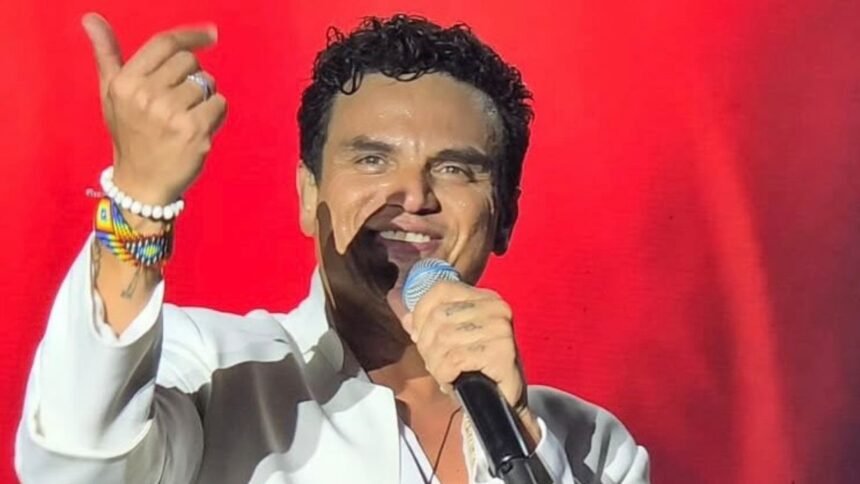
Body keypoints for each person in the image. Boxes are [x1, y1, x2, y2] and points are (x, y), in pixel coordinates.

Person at [14, 11, 650, 484]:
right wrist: (138, 199)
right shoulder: (213, 370)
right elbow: (78, 461)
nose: (413, 196)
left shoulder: (590, 446)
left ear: (505, 214)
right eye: (372, 160)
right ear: (307, 195)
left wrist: (522, 436)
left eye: (455, 169)